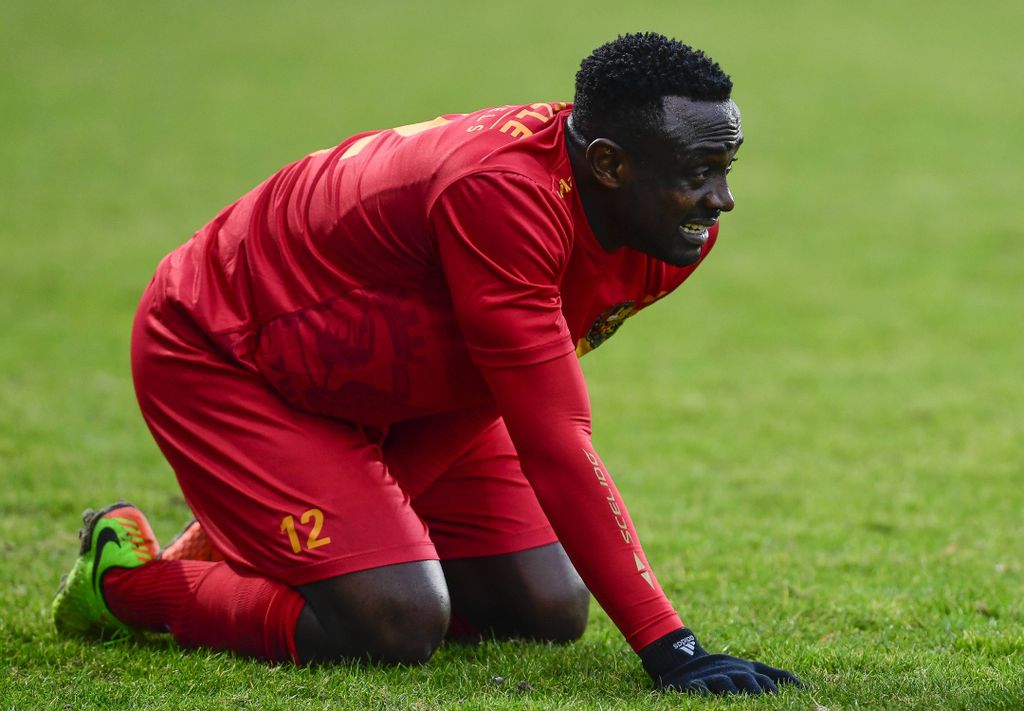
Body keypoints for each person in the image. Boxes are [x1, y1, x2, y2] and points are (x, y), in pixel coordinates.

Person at [52, 33, 801, 695]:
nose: (723, 199)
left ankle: (313, 553)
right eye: (700, 171)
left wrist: (382, 498)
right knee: (392, 620)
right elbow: (555, 439)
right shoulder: (505, 195)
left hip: (384, 377)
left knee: (544, 609)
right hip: (226, 349)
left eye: (727, 167)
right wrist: (672, 648)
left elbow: (492, 382)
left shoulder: (672, 231)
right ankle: (124, 584)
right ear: (608, 164)